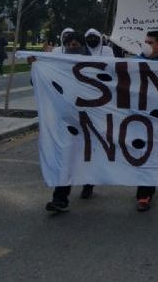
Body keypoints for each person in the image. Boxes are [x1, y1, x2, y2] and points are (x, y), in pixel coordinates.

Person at [44, 34, 93, 213]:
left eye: (75, 44)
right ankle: (60, 198)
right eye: (68, 44)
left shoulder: (94, 64)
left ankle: (89, 181)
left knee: (89, 155)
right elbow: (39, 82)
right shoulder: (59, 63)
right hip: (66, 120)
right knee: (66, 158)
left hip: (89, 119)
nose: (72, 47)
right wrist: (40, 62)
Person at [134, 30, 158, 211]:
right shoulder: (135, 62)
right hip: (139, 117)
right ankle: (144, 192)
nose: (146, 45)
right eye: (145, 41)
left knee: (154, 154)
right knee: (143, 153)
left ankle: (147, 190)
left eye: (150, 42)